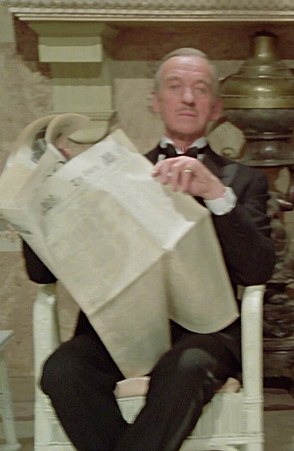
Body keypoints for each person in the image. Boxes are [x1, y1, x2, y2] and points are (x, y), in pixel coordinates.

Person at [22, 48, 276, 450]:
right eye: (175, 87)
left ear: (215, 107)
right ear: (155, 101)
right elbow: (42, 274)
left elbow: (258, 270)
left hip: (204, 335)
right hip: (119, 330)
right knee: (62, 370)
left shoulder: (242, 181)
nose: (188, 98)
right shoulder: (111, 175)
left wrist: (215, 193)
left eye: (200, 89)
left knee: (187, 365)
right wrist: (43, 197)